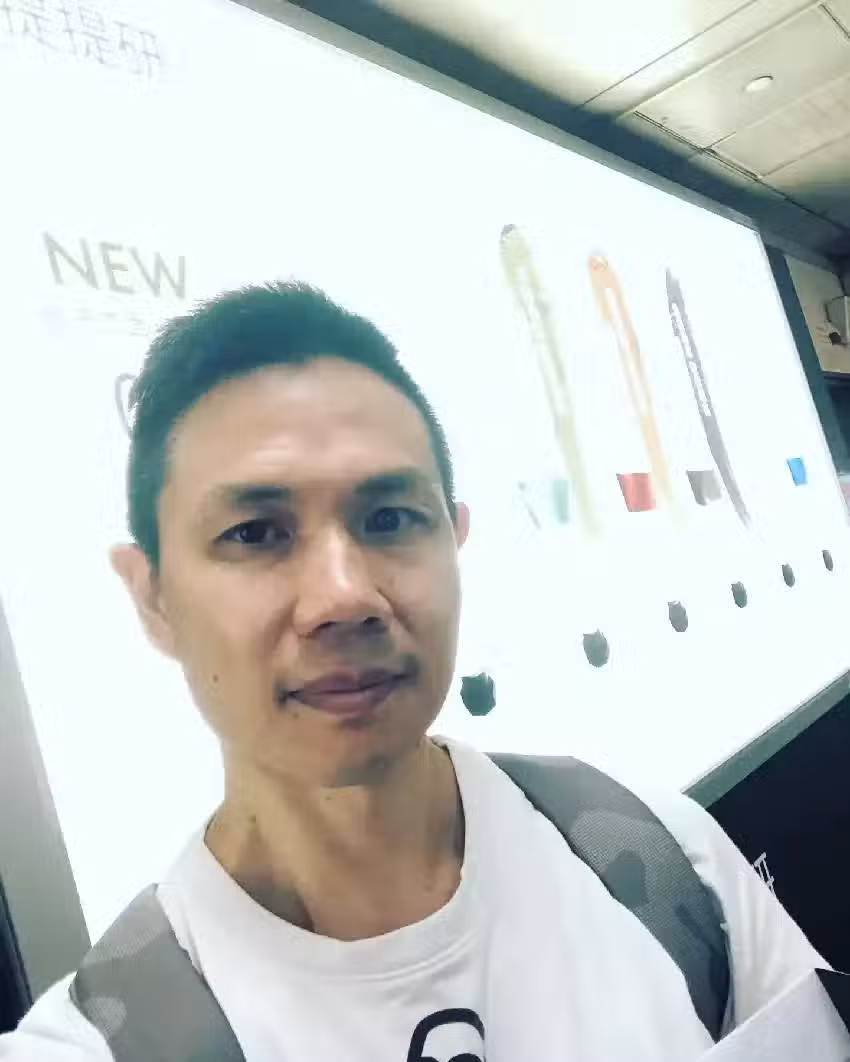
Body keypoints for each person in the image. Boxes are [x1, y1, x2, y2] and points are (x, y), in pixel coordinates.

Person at [0, 282, 825, 1061]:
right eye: (255, 533)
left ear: (455, 543)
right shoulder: (109, 1040)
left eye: (391, 518)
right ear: (151, 597)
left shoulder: (661, 861)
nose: (344, 596)